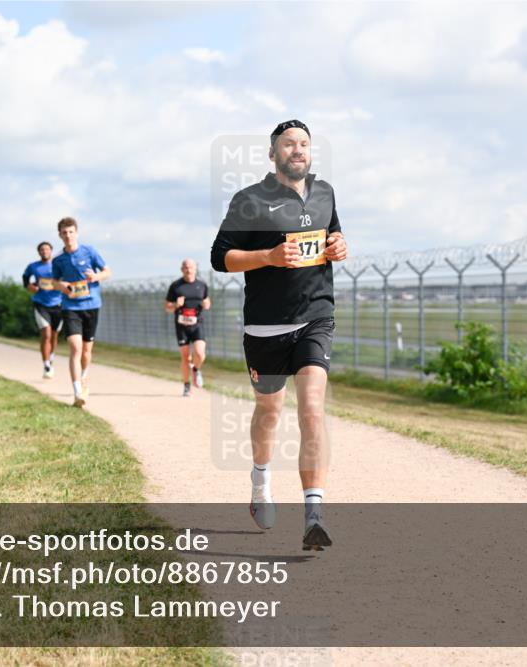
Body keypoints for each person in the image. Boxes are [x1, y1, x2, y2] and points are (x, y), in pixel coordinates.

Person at [210, 119, 348, 551]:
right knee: (269, 412)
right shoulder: (249, 199)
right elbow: (220, 258)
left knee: (312, 410)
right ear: (273, 154)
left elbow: (333, 236)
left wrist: (339, 246)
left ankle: (314, 515)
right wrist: (268, 256)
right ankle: (260, 482)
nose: (298, 149)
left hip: (315, 317)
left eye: (304, 143)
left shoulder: (324, 193)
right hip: (265, 327)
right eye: (289, 144)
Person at [51, 217, 111, 407]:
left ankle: (84, 376)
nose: (68, 235)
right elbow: (54, 282)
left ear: (76, 233)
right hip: (71, 307)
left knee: (86, 350)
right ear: (60, 235)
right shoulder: (58, 260)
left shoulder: (89, 251)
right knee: (75, 348)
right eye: (64, 232)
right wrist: (61, 285)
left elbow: (107, 271)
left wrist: (96, 276)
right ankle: (77, 393)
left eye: (71, 232)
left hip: (91, 305)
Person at [164, 259, 211, 396]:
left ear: (195, 269)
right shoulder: (175, 286)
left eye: (191, 267)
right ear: (181, 269)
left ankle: (196, 369)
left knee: (200, 354)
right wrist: (176, 305)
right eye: (185, 267)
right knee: (185, 357)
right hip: (181, 326)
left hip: (197, 324)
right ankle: (186, 385)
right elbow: (167, 307)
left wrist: (206, 304)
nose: (188, 270)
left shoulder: (202, 285)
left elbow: (207, 301)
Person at [23, 242, 63, 379]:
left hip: (58, 304)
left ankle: (51, 357)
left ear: (51, 251)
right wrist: (30, 287)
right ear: (39, 252)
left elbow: (68, 279)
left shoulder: (58, 264)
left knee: (54, 336)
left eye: (47, 249)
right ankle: (46, 365)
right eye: (42, 249)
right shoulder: (33, 266)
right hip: (41, 304)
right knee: (46, 334)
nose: (44, 251)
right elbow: (25, 279)